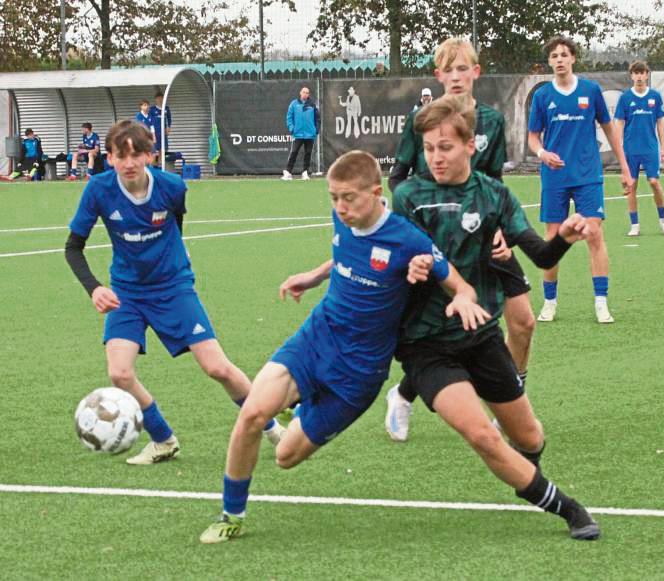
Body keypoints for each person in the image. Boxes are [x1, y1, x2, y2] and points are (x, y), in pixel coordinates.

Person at [199, 150, 486, 544]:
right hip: (318, 337)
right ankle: (232, 514)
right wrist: (315, 276)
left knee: (285, 458)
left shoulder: (407, 239)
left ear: (376, 191)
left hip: (359, 373)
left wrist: (465, 298)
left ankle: (302, 407)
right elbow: (348, 256)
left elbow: (458, 282)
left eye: (348, 198)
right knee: (251, 414)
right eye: (333, 198)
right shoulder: (341, 218)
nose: (340, 207)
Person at [394, 94, 600, 541]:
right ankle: (569, 508)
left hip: (481, 337)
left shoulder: (494, 196)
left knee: (529, 438)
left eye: (445, 147)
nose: (435, 157)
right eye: (428, 148)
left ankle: (525, 474)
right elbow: (387, 266)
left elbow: (541, 253)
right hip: (426, 345)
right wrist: (408, 270)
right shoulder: (408, 197)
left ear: (470, 146)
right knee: (482, 435)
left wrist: (564, 236)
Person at [64, 120, 284, 466]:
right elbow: (73, 248)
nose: (129, 162)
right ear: (108, 158)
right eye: (121, 155)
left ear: (151, 156)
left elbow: (175, 226)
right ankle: (164, 440)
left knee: (217, 367)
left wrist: (172, 262)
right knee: (119, 373)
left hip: (173, 287)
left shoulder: (172, 187)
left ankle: (274, 430)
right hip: (127, 292)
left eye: (137, 154)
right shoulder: (98, 190)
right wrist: (94, 289)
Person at [386, 37, 536, 443]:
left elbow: (493, 184)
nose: (455, 76)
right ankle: (402, 394)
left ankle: (510, 400)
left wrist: (502, 228)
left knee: (523, 322)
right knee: (448, 328)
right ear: (438, 75)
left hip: (486, 236)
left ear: (476, 72)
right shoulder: (422, 118)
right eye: (447, 70)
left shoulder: (491, 121)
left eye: (462, 68)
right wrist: (418, 226)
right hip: (436, 244)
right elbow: (397, 177)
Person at [528, 36, 632, 324]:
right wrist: (542, 152)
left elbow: (610, 130)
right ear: (549, 62)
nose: (559, 60)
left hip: (588, 176)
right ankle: (550, 302)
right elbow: (533, 137)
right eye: (554, 56)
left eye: (564, 54)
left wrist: (624, 168)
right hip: (555, 177)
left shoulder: (590, 90)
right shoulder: (542, 96)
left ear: (573, 58)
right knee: (551, 240)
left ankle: (601, 302)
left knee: (593, 234)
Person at [614, 60, 664, 236]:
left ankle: (663, 220)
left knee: (654, 182)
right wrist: (619, 151)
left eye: (642, 73)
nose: (639, 76)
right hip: (630, 150)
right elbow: (619, 125)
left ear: (647, 75)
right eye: (636, 73)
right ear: (631, 76)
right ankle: (635, 225)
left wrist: (663, 148)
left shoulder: (655, 96)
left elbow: (660, 124)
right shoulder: (625, 98)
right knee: (631, 186)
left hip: (650, 148)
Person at [282, 87, 320, 181]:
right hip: (297, 134)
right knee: (294, 152)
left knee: (308, 153)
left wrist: (316, 130)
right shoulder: (294, 104)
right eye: (304, 92)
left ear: (308, 94)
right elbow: (289, 117)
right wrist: (292, 129)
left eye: (307, 93)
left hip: (310, 135)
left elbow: (318, 119)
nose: (305, 94)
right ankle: (288, 172)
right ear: (300, 93)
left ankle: (305, 172)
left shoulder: (312, 105)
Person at [150, 91, 172, 166]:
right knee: (155, 151)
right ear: (155, 99)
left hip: (163, 133)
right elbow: (150, 121)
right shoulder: (152, 109)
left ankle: (161, 165)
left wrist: (168, 127)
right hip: (155, 134)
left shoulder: (166, 108)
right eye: (158, 98)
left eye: (161, 98)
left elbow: (169, 118)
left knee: (163, 150)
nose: (160, 100)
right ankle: (154, 166)